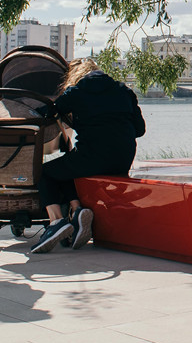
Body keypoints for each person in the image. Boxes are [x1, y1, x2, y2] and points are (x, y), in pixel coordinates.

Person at [29, 60, 146, 252]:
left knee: (45, 172)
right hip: (123, 158)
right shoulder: (125, 91)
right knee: (68, 170)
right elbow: (140, 130)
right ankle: (78, 212)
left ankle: (56, 222)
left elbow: (48, 111)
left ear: (76, 75)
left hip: (93, 156)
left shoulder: (77, 91)